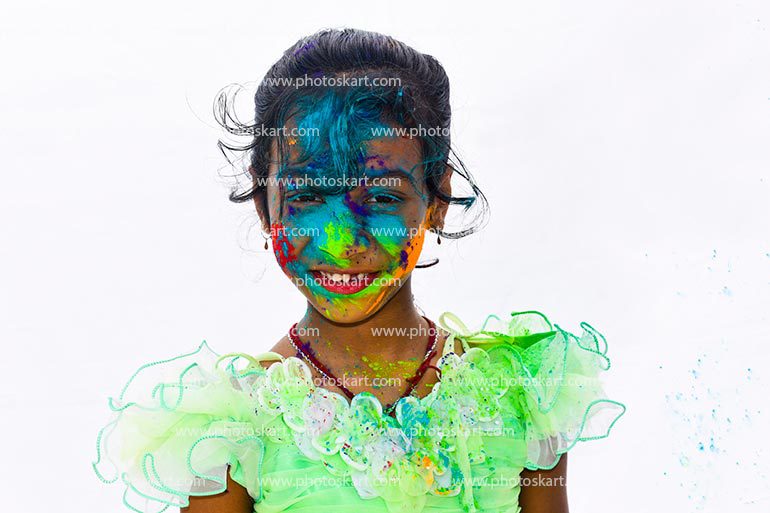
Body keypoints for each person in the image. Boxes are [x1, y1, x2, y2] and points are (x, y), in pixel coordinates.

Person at [92, 28, 625, 513]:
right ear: (263, 204)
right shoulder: (230, 431)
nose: (342, 240)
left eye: (382, 195)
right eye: (308, 195)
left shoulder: (523, 395)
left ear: (438, 199)